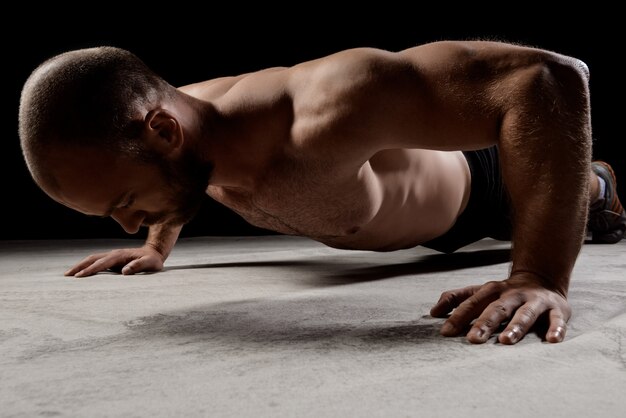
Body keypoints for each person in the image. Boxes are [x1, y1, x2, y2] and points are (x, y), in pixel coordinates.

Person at [18, 40, 625, 346]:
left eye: (125, 204)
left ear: (164, 131)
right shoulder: (178, 127)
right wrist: (156, 241)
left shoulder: (326, 108)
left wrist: (538, 274)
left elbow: (548, 78)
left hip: (485, 192)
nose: (127, 226)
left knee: (586, 200)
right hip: (404, 228)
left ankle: (596, 182)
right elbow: (166, 174)